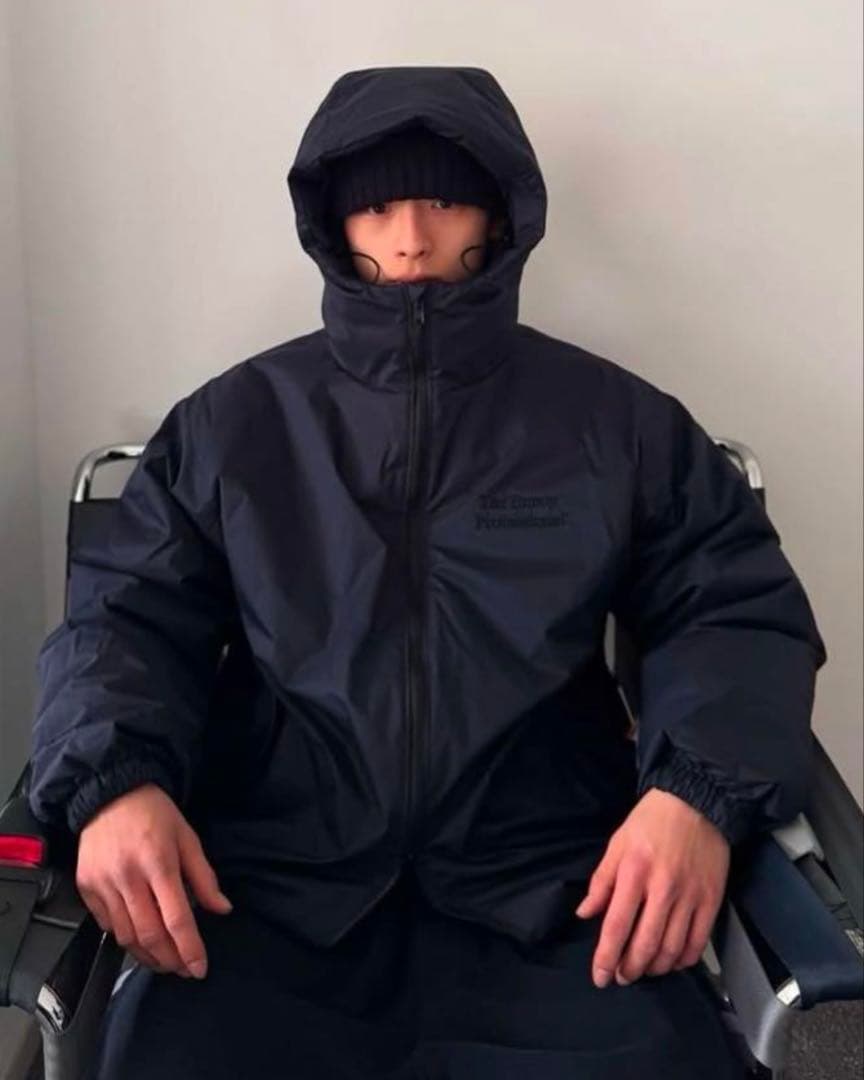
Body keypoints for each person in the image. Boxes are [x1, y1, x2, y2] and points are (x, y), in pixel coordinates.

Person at [28, 66, 826, 1078]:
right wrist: (114, 784)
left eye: (443, 202)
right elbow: (123, 618)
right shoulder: (236, 426)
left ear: (498, 217)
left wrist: (695, 796)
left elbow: (734, 609)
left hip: (559, 889)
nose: (410, 237)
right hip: (270, 889)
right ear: (333, 223)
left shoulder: (614, 424)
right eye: (377, 206)